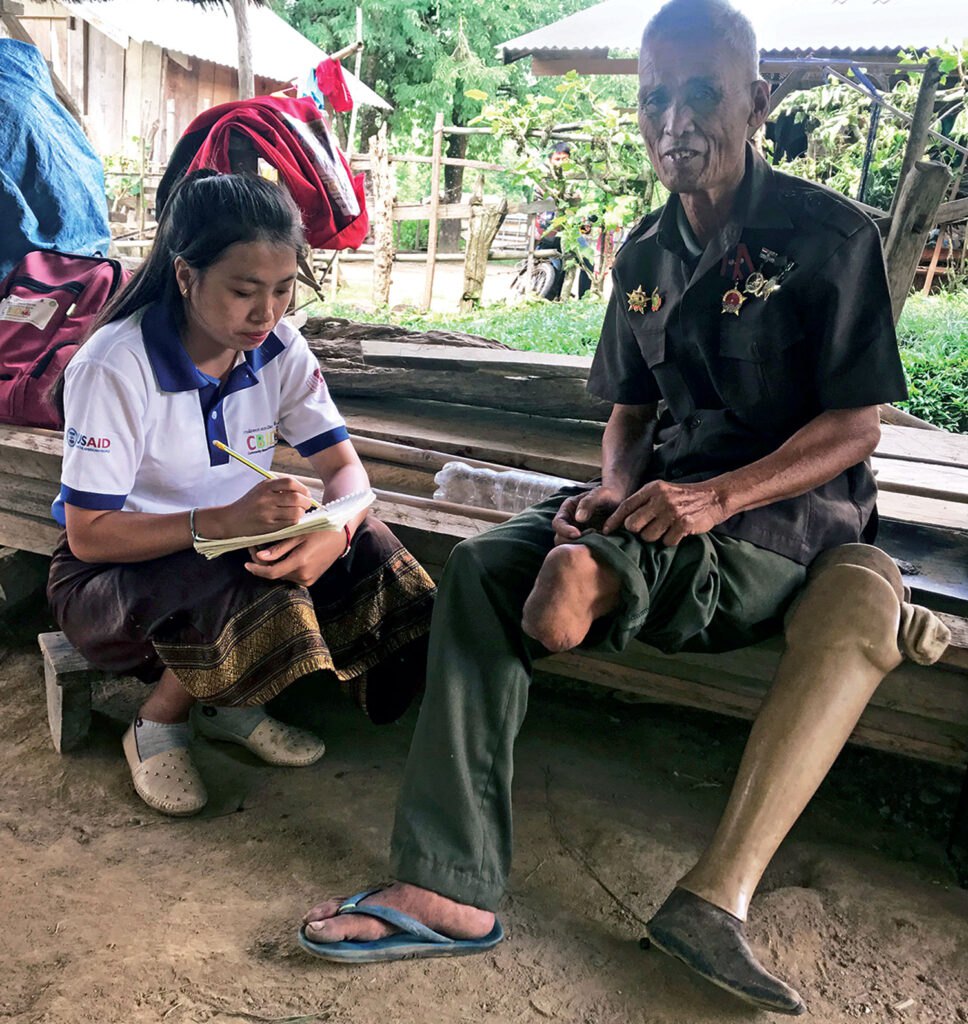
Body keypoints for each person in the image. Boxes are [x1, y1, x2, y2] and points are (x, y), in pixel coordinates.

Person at [299, 0, 948, 1014]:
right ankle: (451, 881)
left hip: (784, 518)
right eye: (655, 99)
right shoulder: (642, 255)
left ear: (755, 103)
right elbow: (627, 410)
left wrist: (717, 493)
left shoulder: (827, 238)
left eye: (700, 96)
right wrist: (608, 488)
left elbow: (854, 427)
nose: (674, 122)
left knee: (628, 554)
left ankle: (597, 579)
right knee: (479, 570)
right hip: (657, 496)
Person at [47, 170, 435, 818]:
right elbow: (88, 535)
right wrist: (221, 522)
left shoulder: (278, 348)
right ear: (185, 277)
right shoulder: (115, 364)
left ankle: (232, 702)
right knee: (240, 567)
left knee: (369, 547)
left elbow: (348, 475)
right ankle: (158, 721)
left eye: (283, 290)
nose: (267, 312)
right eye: (244, 291)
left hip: (237, 536)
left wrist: (330, 533)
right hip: (114, 577)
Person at [534, 142, 595, 299]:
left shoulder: (573, 182)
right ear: (550, 160)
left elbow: (579, 211)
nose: (561, 163)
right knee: (556, 268)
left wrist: (586, 221)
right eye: (557, 159)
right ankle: (551, 296)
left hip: (569, 231)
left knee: (588, 258)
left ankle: (584, 299)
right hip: (547, 231)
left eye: (564, 159)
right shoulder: (542, 179)